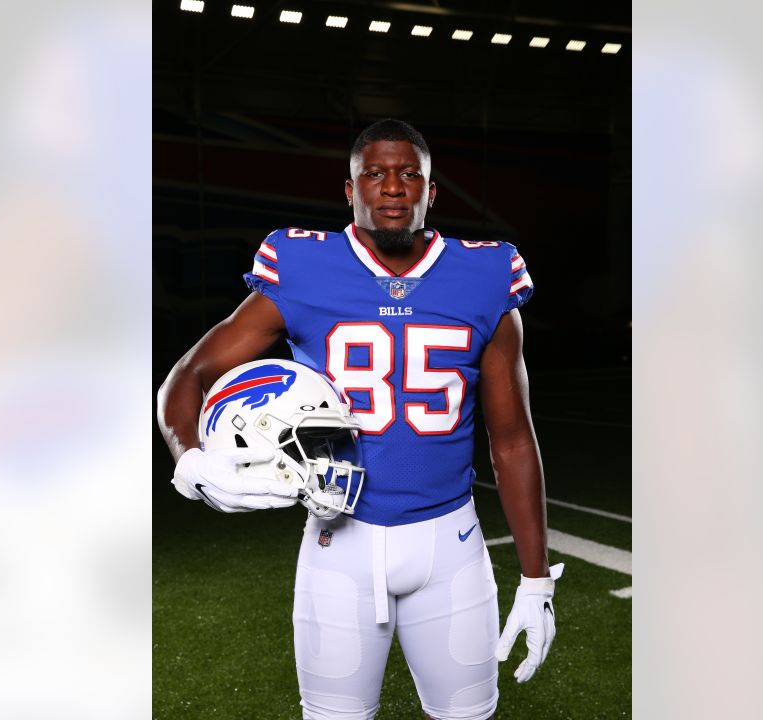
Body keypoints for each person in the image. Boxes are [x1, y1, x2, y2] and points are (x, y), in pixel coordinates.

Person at [157, 119, 561, 720]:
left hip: (450, 544)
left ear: (430, 191)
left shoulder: (485, 274)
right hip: (337, 542)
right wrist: (189, 460)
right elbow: (187, 377)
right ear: (350, 189)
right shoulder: (300, 266)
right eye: (375, 173)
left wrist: (536, 579)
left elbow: (511, 440)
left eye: (409, 175)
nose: (393, 187)